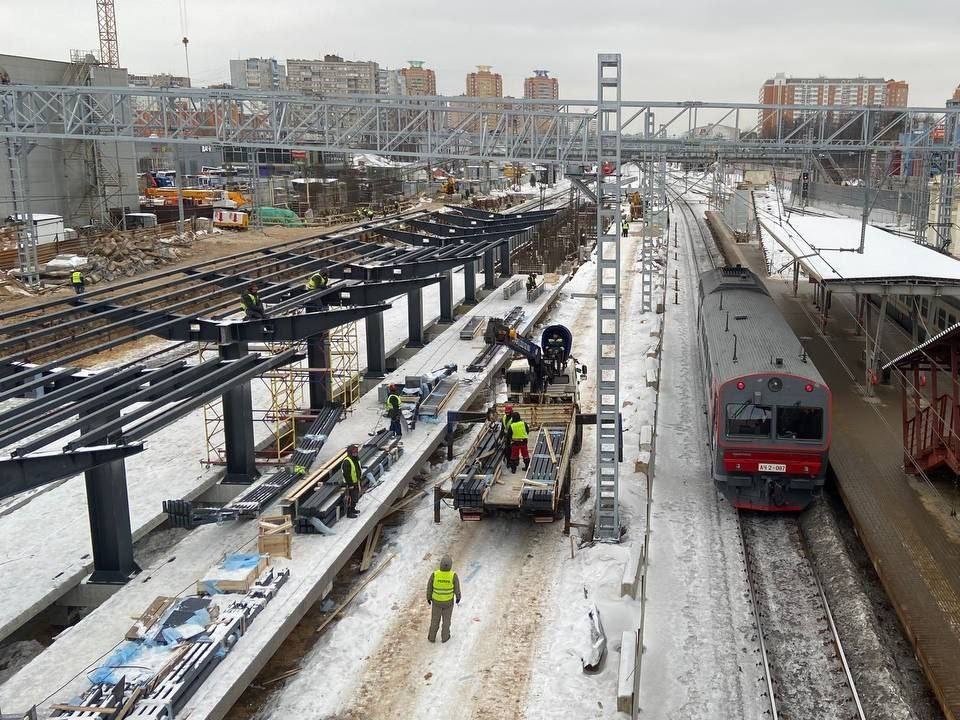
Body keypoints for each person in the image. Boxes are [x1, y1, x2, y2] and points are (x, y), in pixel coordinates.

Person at [426, 554, 461, 643]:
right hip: (448, 603)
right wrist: (458, 597)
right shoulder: (453, 575)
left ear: (441, 564)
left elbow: (429, 587)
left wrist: (428, 597)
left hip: (436, 602)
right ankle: (445, 637)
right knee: (446, 621)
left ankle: (431, 637)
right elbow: (457, 588)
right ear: (450, 565)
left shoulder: (435, 574)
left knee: (434, 620)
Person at [340, 444, 363, 518]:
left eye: (356, 452)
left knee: (355, 497)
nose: (356, 453)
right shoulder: (347, 462)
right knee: (351, 498)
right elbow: (346, 474)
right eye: (354, 452)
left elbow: (357, 469)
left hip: (356, 481)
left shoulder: (356, 459)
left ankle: (353, 509)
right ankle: (349, 513)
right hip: (350, 483)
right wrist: (350, 485)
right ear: (350, 452)